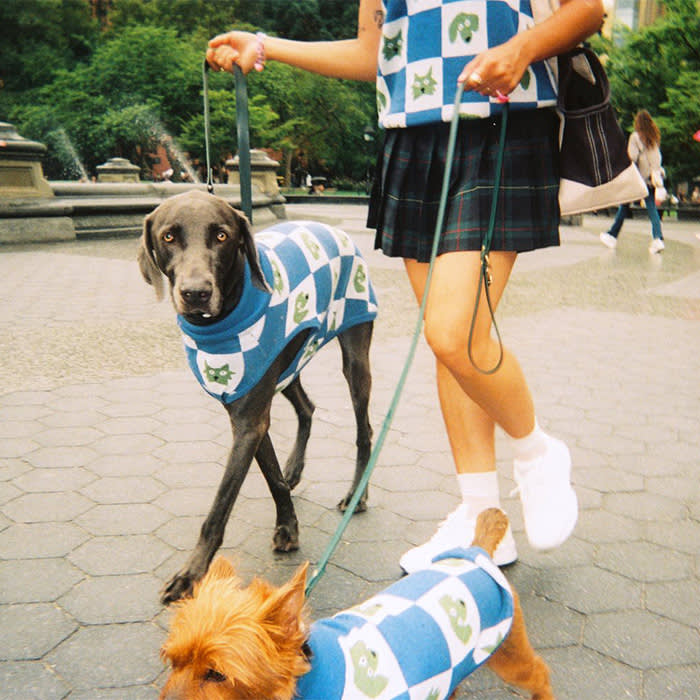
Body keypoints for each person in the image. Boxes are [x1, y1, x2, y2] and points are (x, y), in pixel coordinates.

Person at [207, 0, 604, 572]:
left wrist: (522, 49)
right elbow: (374, 53)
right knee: (456, 346)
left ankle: (538, 450)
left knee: (452, 333)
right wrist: (265, 45)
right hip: (412, 143)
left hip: (500, 127)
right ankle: (481, 517)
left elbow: (586, 10)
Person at [600, 110, 666, 254]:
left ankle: (612, 235)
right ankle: (658, 238)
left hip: (638, 180)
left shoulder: (636, 137)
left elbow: (632, 156)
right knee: (652, 210)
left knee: (624, 207)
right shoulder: (654, 138)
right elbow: (657, 158)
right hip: (651, 179)